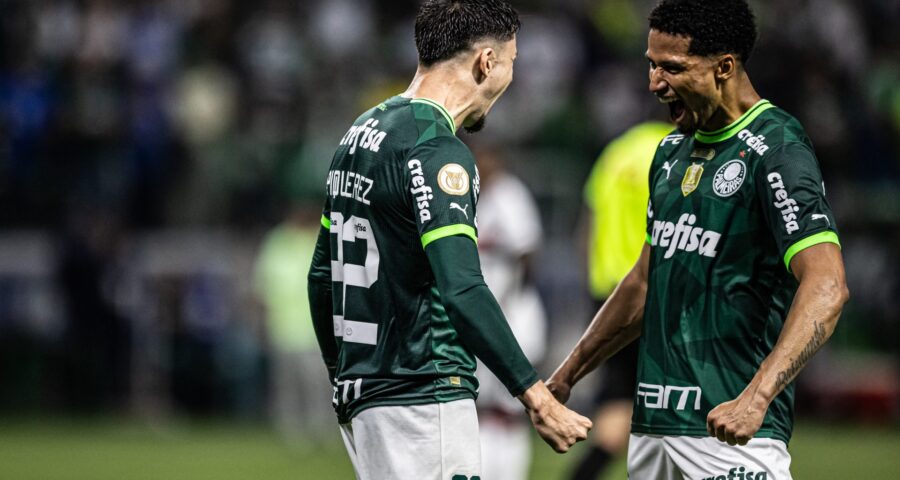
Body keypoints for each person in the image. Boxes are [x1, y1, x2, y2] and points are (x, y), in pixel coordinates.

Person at [547, 1, 850, 478]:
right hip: (652, 430)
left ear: (724, 67)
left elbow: (827, 286)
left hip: (729, 432)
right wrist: (564, 377)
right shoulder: (669, 152)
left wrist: (756, 398)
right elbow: (644, 282)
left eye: (672, 67)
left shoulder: (777, 148)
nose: (654, 82)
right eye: (651, 64)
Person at [306, 1, 592, 479]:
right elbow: (462, 288)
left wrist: (342, 374)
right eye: (512, 64)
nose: (509, 82)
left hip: (365, 393)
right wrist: (536, 396)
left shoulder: (359, 134)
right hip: (424, 392)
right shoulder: (437, 151)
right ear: (487, 62)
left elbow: (321, 276)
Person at [570, 121, 672, 480]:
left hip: (606, 293)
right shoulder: (675, 152)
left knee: (617, 403)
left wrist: (592, 283)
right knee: (672, 404)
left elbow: (589, 220)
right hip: (651, 293)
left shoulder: (615, 152)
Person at [470, 144, 548, 480]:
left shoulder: (509, 195)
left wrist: (506, 301)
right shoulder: (477, 198)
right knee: (484, 405)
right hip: (487, 316)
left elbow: (527, 252)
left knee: (510, 407)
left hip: (514, 315)